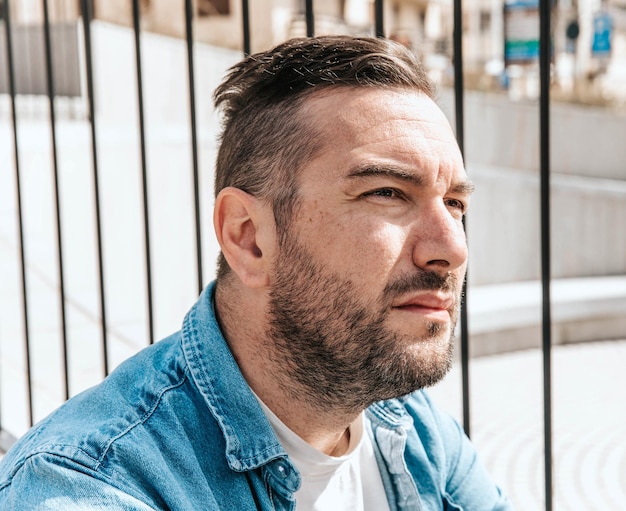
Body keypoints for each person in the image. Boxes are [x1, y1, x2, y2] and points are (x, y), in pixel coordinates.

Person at [0, 36, 512, 510]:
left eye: (454, 203)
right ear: (248, 237)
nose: (451, 248)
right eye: (387, 192)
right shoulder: (90, 483)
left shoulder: (413, 429)